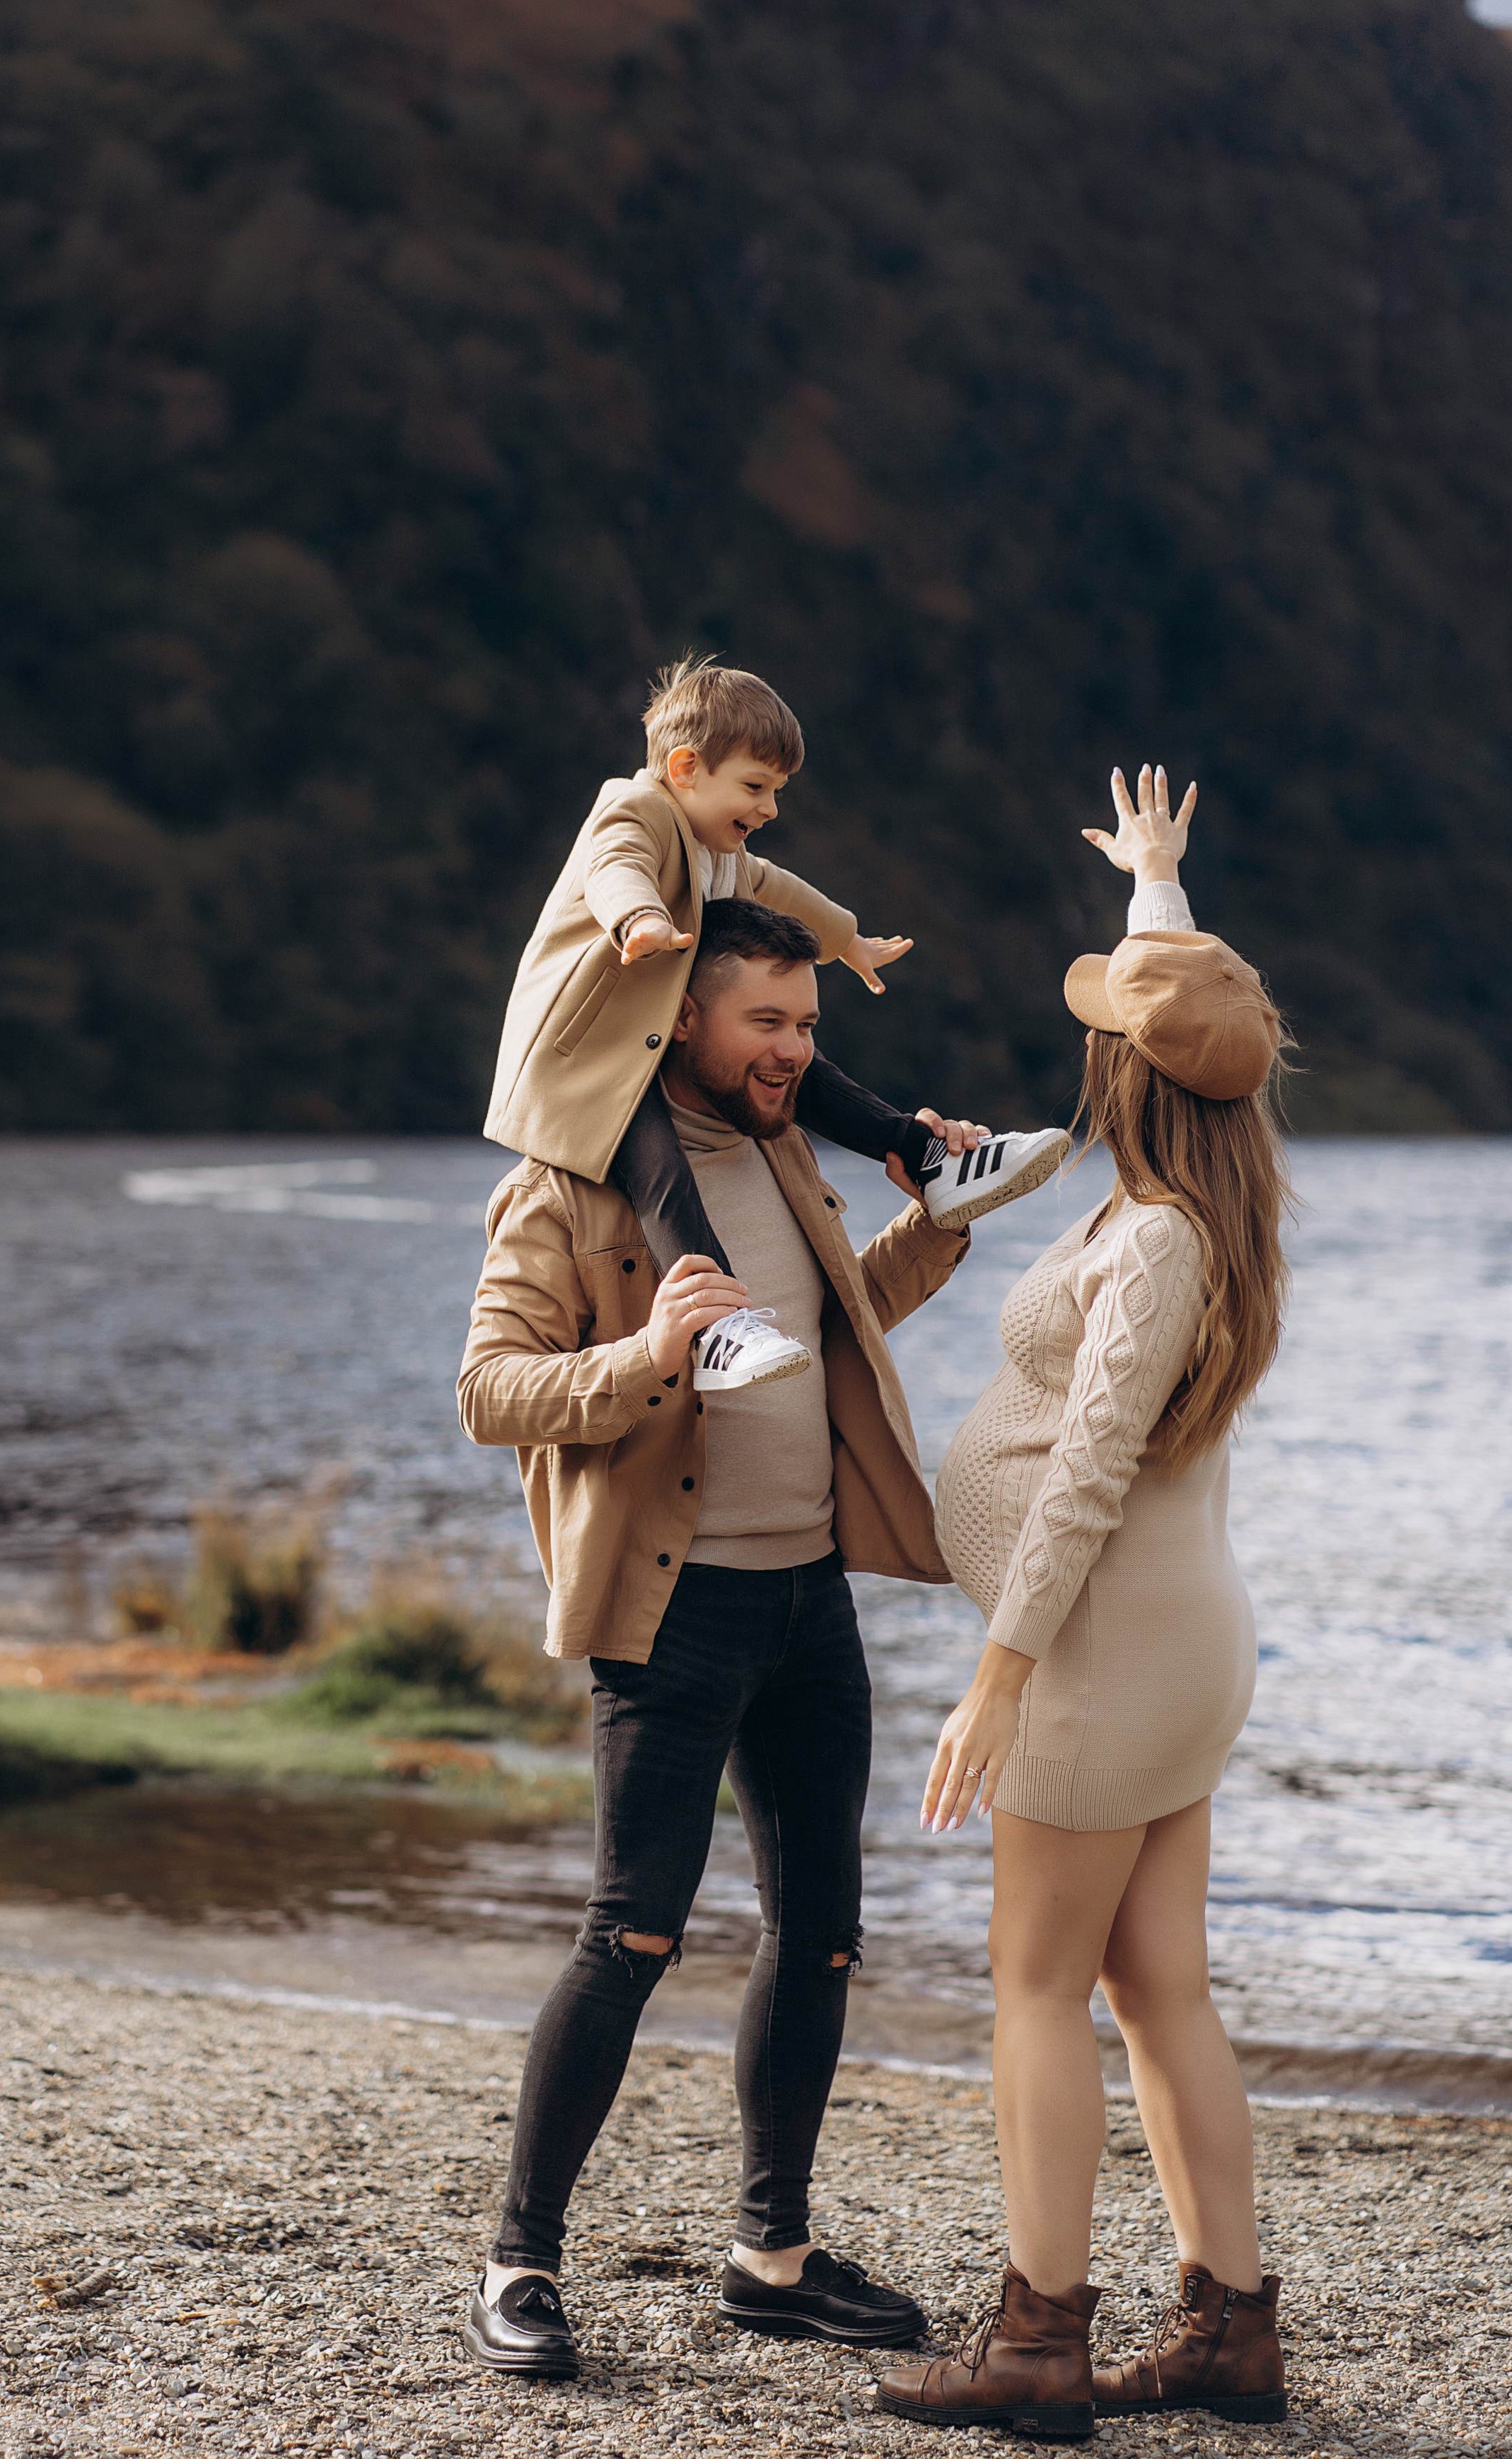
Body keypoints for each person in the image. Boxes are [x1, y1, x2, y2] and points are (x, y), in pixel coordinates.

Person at [456, 895, 985, 2380]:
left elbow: (837, 1325)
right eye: (768, 1022)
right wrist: (641, 1357)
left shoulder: (780, 1154)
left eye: (807, 1028)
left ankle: (771, 2256)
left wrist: (933, 1226)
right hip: (671, 1610)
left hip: (808, 1599)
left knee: (818, 1934)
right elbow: (490, 1389)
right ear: (679, 1015)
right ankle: (517, 2263)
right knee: (631, 1929)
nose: (792, 1052)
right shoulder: (571, 1188)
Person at [877, 767, 1293, 2442]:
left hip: (1103, 1653)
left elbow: (1082, 1478)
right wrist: (1154, 886)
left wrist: (995, 1674)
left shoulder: (1156, 1245)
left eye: (1111, 1030)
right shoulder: (1214, 1204)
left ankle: (1037, 2342)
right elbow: (1194, 1011)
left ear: (1122, 1069)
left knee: (1035, 1987)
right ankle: (1228, 2330)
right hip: (1180, 1650)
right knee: (1157, 1988)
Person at [483, 655, 1069, 1392]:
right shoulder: (636, 814)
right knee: (659, 1172)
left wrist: (846, 940)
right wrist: (636, 918)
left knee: (803, 1068)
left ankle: (928, 1161)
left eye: (777, 791)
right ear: (686, 767)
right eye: (755, 788)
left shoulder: (721, 854)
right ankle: (715, 1326)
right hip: (585, 1066)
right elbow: (615, 865)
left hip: (647, 1044)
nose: (768, 809)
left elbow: (779, 889)